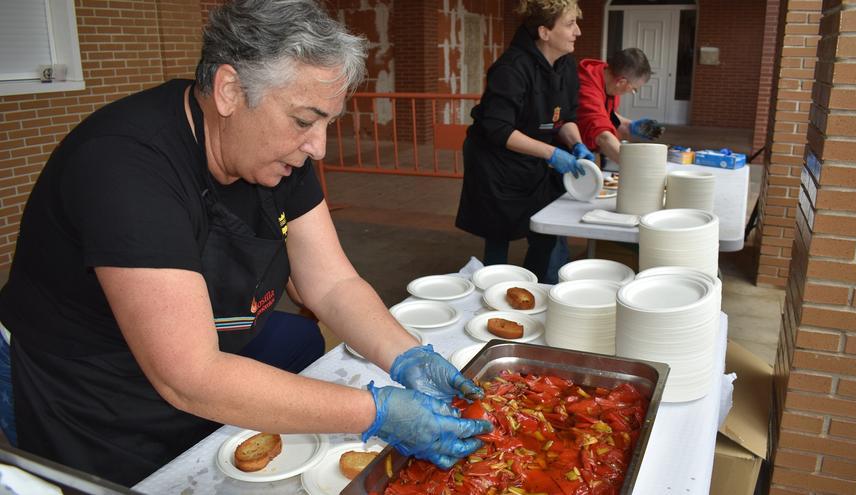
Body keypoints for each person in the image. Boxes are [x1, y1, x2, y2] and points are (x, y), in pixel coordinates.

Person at [0, 0, 491, 486]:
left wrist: (406, 355)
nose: (318, 146)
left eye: (326, 123)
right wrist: (374, 412)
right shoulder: (126, 167)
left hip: (206, 371)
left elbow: (332, 283)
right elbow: (189, 375)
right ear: (230, 90)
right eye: (304, 121)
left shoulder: (278, 154)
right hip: (92, 395)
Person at [455, 0, 593, 283]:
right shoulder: (511, 68)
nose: (577, 31)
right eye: (569, 24)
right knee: (498, 234)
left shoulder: (566, 66)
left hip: (536, 158)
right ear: (544, 32)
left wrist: (577, 144)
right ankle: (491, 290)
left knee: (545, 231)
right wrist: (552, 153)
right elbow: (499, 129)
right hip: (497, 162)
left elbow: (565, 117)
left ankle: (532, 289)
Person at [576, 47, 664, 167]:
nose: (631, 92)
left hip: (588, 152)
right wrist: (640, 168)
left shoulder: (608, 82)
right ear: (621, 82)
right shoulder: (587, 89)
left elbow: (606, 115)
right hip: (570, 155)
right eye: (634, 89)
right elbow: (602, 136)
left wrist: (629, 126)